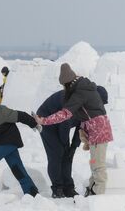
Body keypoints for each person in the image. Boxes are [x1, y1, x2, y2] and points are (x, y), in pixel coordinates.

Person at [34, 63, 113, 197]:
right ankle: (57, 188)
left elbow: (80, 127)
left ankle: (68, 187)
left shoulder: (86, 107)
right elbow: (64, 122)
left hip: (60, 120)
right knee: (58, 153)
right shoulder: (75, 101)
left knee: (69, 155)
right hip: (47, 120)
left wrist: (74, 145)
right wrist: (66, 145)